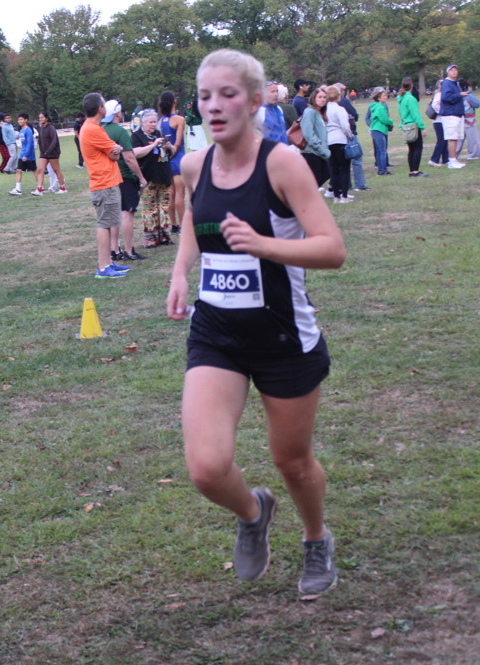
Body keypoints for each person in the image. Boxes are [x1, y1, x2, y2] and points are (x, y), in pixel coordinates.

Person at [166, 48, 346, 601]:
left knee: (292, 462)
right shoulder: (195, 165)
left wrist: (263, 244)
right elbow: (195, 219)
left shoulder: (281, 164)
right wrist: (180, 271)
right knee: (206, 468)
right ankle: (253, 512)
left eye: (227, 95)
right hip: (216, 333)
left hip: (282, 336)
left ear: (252, 101)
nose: (214, 106)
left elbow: (332, 249)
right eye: (205, 96)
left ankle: (315, 538)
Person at [78, 92, 130, 279]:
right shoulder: (93, 129)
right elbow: (114, 155)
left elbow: (113, 152)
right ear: (100, 108)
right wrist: (117, 149)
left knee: (108, 224)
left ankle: (108, 262)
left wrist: (115, 150)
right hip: (104, 183)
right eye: (104, 104)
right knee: (104, 225)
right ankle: (103, 267)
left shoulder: (92, 127)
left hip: (106, 182)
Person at [100, 99, 148, 261]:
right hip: (124, 176)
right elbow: (129, 158)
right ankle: (129, 250)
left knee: (115, 213)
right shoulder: (120, 132)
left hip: (108, 177)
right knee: (128, 212)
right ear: (118, 113)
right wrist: (141, 177)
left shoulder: (101, 130)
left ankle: (115, 249)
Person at [132, 110, 173, 248]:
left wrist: (170, 146)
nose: (153, 125)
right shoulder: (137, 136)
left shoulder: (159, 134)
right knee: (150, 208)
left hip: (164, 176)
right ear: (143, 123)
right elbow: (136, 153)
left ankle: (165, 236)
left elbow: (171, 154)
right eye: (150, 122)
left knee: (163, 208)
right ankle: (150, 238)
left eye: (155, 122)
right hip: (148, 177)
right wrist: (153, 145)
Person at [159, 91, 186, 234]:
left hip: (166, 159)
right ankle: (183, 225)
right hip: (177, 157)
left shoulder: (160, 121)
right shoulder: (179, 120)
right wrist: (173, 152)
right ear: (174, 102)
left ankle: (174, 224)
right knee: (180, 194)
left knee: (171, 193)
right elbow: (178, 143)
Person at [324, 84, 355, 201]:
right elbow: (345, 126)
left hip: (328, 140)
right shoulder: (340, 109)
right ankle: (344, 195)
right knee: (344, 168)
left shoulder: (324, 111)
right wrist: (350, 136)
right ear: (338, 96)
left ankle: (336, 195)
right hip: (340, 139)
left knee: (334, 169)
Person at [300, 87, 331, 188]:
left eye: (324, 97)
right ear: (314, 98)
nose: (323, 99)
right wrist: (321, 148)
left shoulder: (321, 113)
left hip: (320, 152)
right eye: (320, 97)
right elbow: (308, 134)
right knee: (313, 182)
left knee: (326, 174)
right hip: (311, 152)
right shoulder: (310, 112)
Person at [397, 77, 427, 177]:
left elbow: (401, 113)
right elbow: (415, 115)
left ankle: (411, 171)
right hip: (413, 126)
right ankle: (415, 171)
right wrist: (422, 127)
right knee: (418, 148)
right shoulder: (411, 99)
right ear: (412, 86)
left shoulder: (401, 99)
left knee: (411, 149)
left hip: (406, 126)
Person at [439, 64, 467, 168]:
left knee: (456, 138)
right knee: (453, 138)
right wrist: (459, 95)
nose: (454, 72)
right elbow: (446, 97)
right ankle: (452, 161)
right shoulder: (447, 83)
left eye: (455, 70)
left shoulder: (456, 84)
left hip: (457, 113)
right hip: (450, 114)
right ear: (448, 72)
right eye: (452, 70)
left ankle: (454, 159)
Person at [368, 87, 394, 175]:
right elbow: (385, 119)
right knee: (382, 151)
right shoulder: (380, 107)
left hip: (375, 130)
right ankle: (383, 170)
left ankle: (380, 169)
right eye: (383, 96)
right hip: (379, 130)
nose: (385, 97)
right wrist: (391, 121)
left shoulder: (375, 106)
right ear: (379, 98)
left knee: (379, 151)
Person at [10, 114, 37, 196]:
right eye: (19, 120)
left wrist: (26, 155)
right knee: (19, 170)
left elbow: (29, 144)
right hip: (22, 154)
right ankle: (18, 189)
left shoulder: (28, 130)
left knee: (34, 170)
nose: (19, 121)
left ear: (26, 120)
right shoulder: (21, 130)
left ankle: (40, 186)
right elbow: (23, 144)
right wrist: (23, 154)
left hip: (29, 155)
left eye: (21, 119)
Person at [454, 79, 480, 160]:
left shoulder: (454, 96)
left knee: (457, 140)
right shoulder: (468, 96)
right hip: (469, 121)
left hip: (458, 120)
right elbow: (477, 104)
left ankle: (453, 156)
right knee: (472, 139)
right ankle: (473, 154)